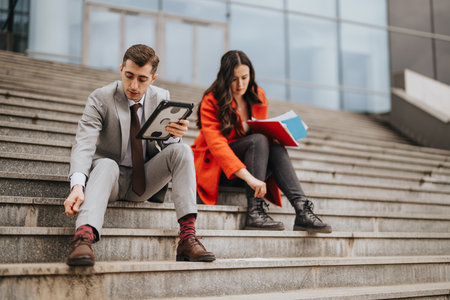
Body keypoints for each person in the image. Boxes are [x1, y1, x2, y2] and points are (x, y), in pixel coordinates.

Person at [64, 44, 215, 266]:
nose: (134, 85)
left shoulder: (162, 97)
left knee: (182, 149)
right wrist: (78, 186)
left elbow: (166, 145)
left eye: (142, 79)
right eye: (129, 76)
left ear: (153, 78)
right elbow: (84, 143)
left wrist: (174, 136)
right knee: (106, 164)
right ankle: (83, 237)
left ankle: (187, 237)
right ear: (121, 69)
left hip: (144, 180)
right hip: (109, 180)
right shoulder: (100, 98)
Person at [191, 50, 332, 233]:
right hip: (220, 169)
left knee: (273, 145)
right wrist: (251, 178)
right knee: (258, 140)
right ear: (225, 78)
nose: (240, 84)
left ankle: (302, 209)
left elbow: (260, 131)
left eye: (244, 77)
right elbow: (218, 146)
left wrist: (277, 134)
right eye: (234, 79)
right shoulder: (211, 101)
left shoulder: (257, 95)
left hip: (250, 163)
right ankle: (255, 211)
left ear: (251, 75)